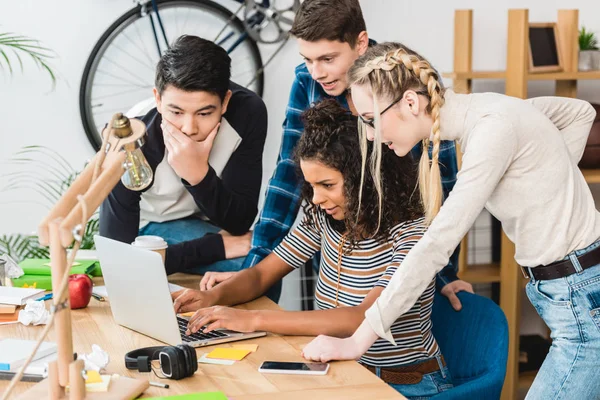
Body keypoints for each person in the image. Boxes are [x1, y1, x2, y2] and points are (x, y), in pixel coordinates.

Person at [301, 42, 600, 400]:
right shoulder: (491, 114)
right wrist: (547, 181)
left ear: (411, 103)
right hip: (571, 291)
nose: (369, 135)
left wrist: (357, 341)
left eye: (370, 120)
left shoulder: (492, 130)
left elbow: (435, 246)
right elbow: (579, 112)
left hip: (580, 299)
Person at [172, 99, 454, 398]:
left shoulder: (412, 234)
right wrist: (210, 298)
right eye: (312, 186)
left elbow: (361, 317)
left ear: (367, 178)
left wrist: (252, 319)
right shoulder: (325, 217)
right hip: (340, 371)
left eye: (327, 185)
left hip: (406, 383)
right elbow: (261, 275)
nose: (316, 198)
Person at [245, 0, 471, 307]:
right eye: (308, 60)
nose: (316, 73)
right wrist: (257, 263)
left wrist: (443, 271)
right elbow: (288, 172)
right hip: (338, 238)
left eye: (327, 58)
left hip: (400, 251)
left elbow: (441, 185)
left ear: (360, 43)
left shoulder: (405, 82)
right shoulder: (307, 80)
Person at [99, 35, 267, 275]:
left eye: (204, 113)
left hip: (211, 220)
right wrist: (213, 247)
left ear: (225, 101)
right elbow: (117, 259)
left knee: (262, 266)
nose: (189, 128)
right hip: (151, 225)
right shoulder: (132, 141)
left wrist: (198, 175)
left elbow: (239, 221)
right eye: (176, 112)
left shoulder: (248, 112)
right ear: (157, 99)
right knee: (252, 268)